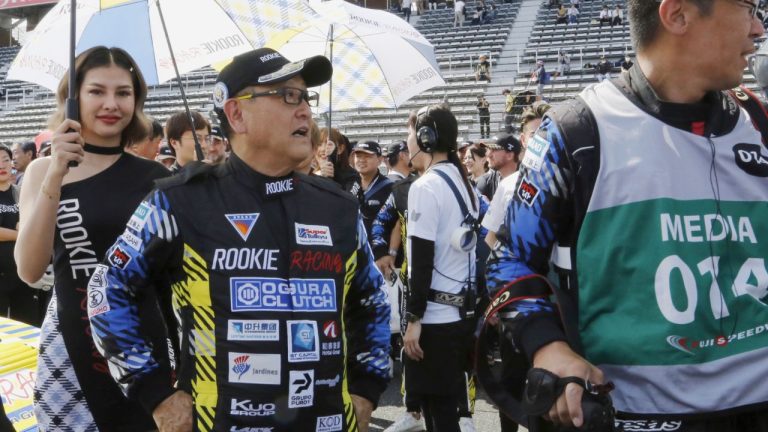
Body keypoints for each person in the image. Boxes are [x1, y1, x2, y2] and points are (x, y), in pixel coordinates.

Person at [484, 1, 768, 431]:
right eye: (747, 8)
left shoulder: (760, 120)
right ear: (677, 15)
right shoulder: (577, 129)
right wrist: (547, 347)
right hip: (636, 415)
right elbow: (508, 259)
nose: (759, 28)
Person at [87, 47, 391, 432]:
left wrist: (366, 390)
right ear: (236, 114)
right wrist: (155, 394)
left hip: (327, 422)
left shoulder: (339, 208)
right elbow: (107, 287)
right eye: (287, 96)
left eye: (305, 97)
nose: (305, 111)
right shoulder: (178, 201)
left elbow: (372, 302)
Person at [14, 46, 171, 432]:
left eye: (123, 93)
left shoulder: (158, 177)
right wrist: (55, 175)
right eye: (97, 91)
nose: (111, 104)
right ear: (73, 98)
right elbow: (30, 270)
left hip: (145, 342)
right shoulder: (40, 172)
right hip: (71, 343)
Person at [403, 104, 479, 432]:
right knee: (446, 415)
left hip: (434, 322)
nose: (406, 141)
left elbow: (421, 261)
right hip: (460, 317)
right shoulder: (465, 185)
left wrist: (413, 320)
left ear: (425, 137)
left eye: (410, 132)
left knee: (439, 418)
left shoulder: (425, 186)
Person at [0, 144, 37, 326]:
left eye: (6, 160)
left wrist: (21, 230)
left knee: (27, 324)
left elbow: (33, 223)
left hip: (21, 273)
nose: (2, 165)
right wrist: (21, 233)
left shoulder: (20, 192)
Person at [352, 140, 394, 245]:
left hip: (379, 251)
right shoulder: (348, 184)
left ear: (380, 160)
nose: (361, 160)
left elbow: (395, 225)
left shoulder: (390, 187)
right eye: (358, 156)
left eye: (367, 156)